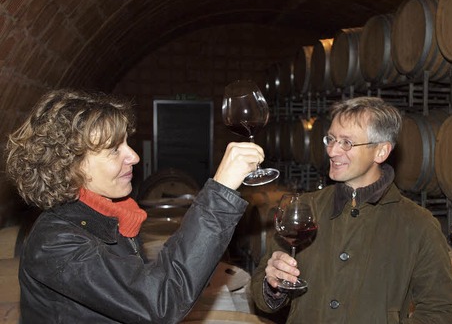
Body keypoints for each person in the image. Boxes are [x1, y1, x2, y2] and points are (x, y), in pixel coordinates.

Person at [4, 88, 265, 323]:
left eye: (126, 143)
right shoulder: (56, 242)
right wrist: (220, 191)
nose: (135, 156)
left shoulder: (109, 216)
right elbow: (160, 302)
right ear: (70, 165)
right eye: (114, 149)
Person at [251, 96, 452, 323]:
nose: (332, 151)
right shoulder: (304, 208)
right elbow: (261, 292)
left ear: (381, 152)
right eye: (330, 139)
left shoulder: (418, 224)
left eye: (346, 143)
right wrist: (273, 287)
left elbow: (442, 312)